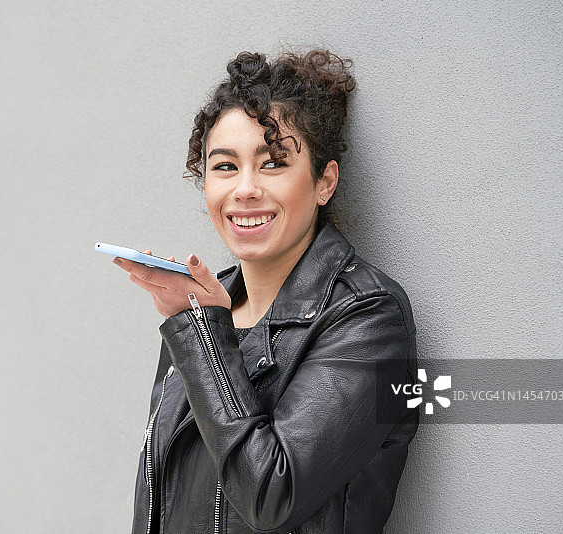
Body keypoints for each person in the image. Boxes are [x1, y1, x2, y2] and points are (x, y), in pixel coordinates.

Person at [112, 49, 419, 534]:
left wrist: (203, 339)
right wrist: (197, 326)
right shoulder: (204, 306)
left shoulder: (369, 318)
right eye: (225, 167)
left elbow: (271, 495)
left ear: (325, 182)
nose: (245, 189)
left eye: (273, 163)